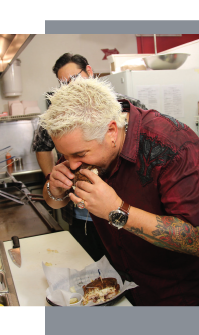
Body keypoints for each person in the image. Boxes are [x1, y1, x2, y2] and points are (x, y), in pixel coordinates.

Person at [40, 77, 199, 306]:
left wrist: (117, 211)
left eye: (80, 155)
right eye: (65, 155)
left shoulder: (174, 145)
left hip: (181, 295)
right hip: (122, 288)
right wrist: (53, 188)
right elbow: (55, 201)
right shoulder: (76, 142)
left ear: (112, 132)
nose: (72, 164)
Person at [32, 53, 146, 262]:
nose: (70, 86)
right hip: (83, 216)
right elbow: (41, 147)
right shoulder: (59, 115)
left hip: (128, 211)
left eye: (74, 79)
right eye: (63, 83)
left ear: (89, 72)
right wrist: (54, 179)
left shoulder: (122, 105)